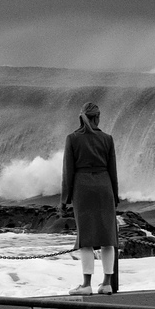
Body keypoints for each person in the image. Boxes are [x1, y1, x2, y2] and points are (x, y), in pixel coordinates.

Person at [60, 102, 118, 295]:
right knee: (108, 238)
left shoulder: (73, 139)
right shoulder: (107, 139)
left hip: (82, 188)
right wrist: (115, 196)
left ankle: (86, 285)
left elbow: (68, 171)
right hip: (104, 187)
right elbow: (113, 171)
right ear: (98, 117)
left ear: (81, 117)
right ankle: (107, 283)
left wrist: (64, 199)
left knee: (85, 239)